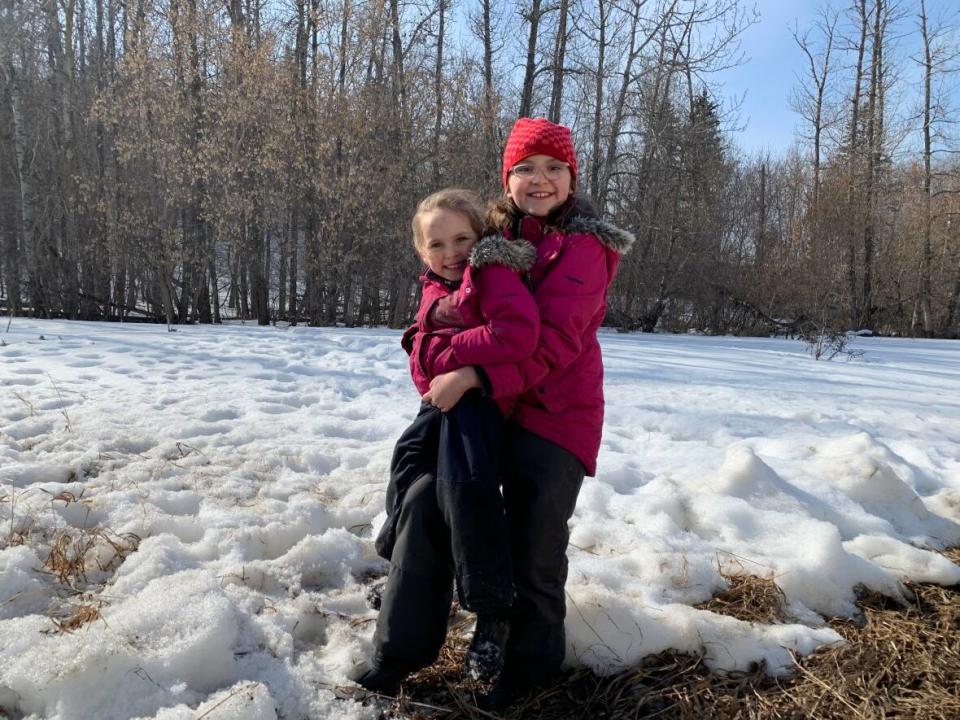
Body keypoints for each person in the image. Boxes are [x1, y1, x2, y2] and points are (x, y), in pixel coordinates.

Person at [423, 117, 635, 707]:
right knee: (467, 515)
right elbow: (448, 300)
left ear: (571, 179)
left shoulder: (586, 246)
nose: (538, 179)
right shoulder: (490, 239)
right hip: (500, 408)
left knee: (538, 547)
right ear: (507, 179)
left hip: (558, 416)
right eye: (525, 169)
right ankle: (478, 625)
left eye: (553, 168)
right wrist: (434, 339)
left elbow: (552, 345)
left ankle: (532, 673)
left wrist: (470, 373)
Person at [351, 188, 540, 692]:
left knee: (464, 491)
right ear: (420, 251)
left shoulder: (491, 275)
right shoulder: (434, 286)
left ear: (480, 239)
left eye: (461, 239)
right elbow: (419, 365)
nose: (451, 252)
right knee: (411, 482)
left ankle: (492, 606)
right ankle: (396, 606)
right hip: (436, 408)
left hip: (479, 412)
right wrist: (427, 344)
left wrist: (447, 352)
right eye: (437, 243)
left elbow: (517, 336)